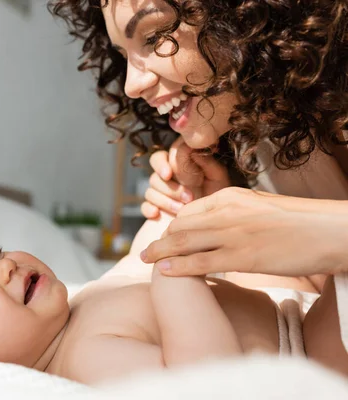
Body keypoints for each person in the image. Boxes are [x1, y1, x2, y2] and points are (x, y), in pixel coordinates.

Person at [48, 0, 348, 373]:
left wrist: (305, 226)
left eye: (155, 36)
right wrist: (214, 205)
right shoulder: (267, 135)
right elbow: (319, 300)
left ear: (245, 14)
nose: (131, 85)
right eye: (122, 55)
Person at [0, 229, 343, 385]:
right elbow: (210, 382)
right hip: (308, 358)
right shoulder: (85, 360)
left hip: (300, 315)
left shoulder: (80, 307)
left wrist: (175, 220)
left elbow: (134, 262)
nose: (3, 269)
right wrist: (174, 281)